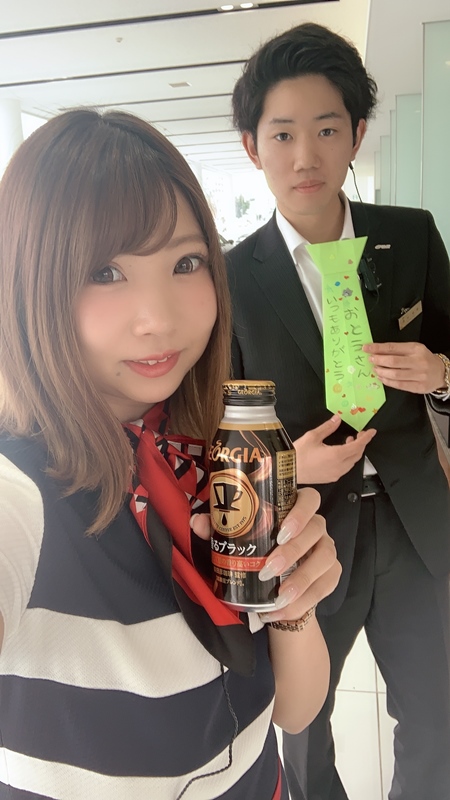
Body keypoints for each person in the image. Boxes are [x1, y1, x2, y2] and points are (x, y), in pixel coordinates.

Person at [0, 108, 341, 800]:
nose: (159, 317)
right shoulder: (23, 488)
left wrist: (293, 605)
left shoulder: (211, 457)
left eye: (186, 262)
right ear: (28, 285)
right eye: (104, 272)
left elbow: (292, 711)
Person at [228, 22, 450, 800]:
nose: (305, 156)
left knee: (438, 713)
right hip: (308, 533)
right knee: (305, 727)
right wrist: (290, 466)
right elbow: (221, 434)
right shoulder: (230, 279)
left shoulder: (411, 238)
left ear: (356, 135)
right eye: (282, 134)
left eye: (326, 130)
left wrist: (441, 372)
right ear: (253, 147)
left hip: (418, 524)